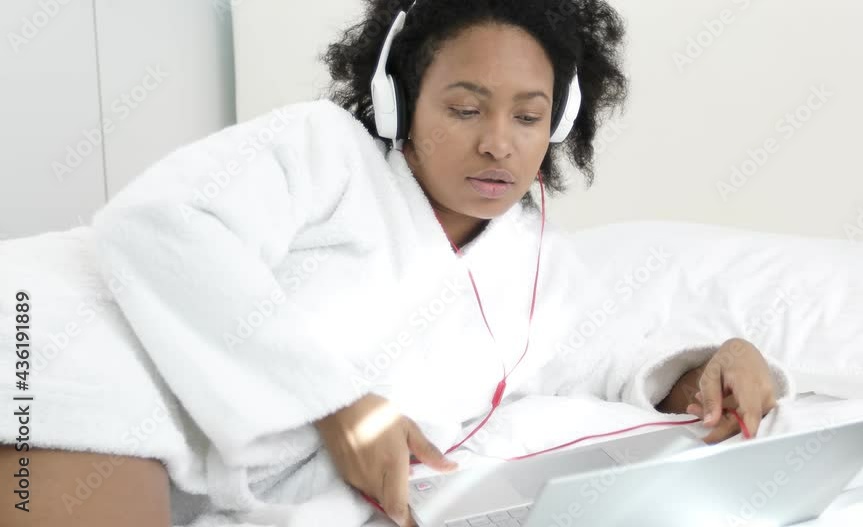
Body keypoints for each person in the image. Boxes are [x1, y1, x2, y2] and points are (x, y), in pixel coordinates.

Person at [0, 1, 791, 525]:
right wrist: (339, 403)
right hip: (68, 343)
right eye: (465, 107)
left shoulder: (532, 268)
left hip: (175, 441)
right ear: (398, 100)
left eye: (528, 115)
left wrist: (713, 366)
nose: (498, 142)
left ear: (560, 122)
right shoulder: (323, 149)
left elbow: (613, 353)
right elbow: (158, 222)